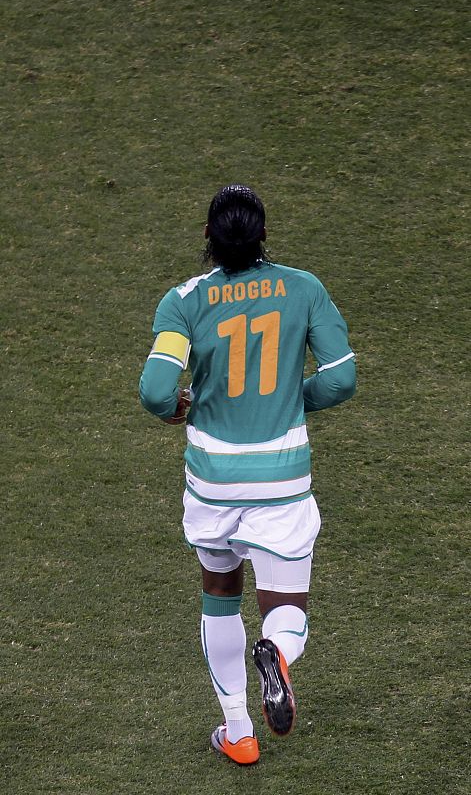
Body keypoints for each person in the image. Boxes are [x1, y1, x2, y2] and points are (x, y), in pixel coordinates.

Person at [139, 184, 356, 765]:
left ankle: (237, 731)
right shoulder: (304, 288)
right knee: (287, 607)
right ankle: (276, 652)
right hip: (281, 481)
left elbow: (156, 391)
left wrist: (178, 406)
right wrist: (290, 399)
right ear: (263, 236)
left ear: (208, 238)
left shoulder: (183, 300)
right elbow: (340, 379)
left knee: (220, 593)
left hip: (212, 483)